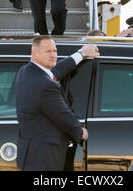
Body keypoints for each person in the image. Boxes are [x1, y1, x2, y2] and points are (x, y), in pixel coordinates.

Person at [15, 35, 99, 171]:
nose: (53, 55)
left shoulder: (25, 72)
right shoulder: (45, 85)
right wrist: (80, 131)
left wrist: (81, 54)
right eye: (48, 51)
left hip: (31, 154)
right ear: (34, 53)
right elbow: (63, 115)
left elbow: (56, 72)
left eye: (55, 51)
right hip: (44, 159)